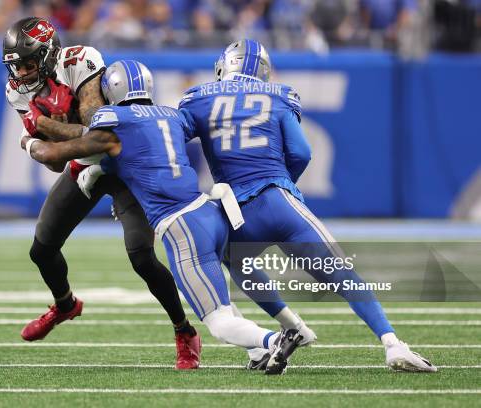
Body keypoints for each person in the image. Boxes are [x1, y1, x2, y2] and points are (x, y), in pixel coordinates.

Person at [21, 59, 303, 375]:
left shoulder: (114, 120)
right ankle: (258, 348)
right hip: (209, 211)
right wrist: (102, 169)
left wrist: (32, 134)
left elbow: (54, 154)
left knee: (217, 321)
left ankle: (277, 338)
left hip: (180, 224)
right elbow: (146, 149)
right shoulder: (171, 115)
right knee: (213, 295)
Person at [177, 39, 437, 373]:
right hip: (278, 200)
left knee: (236, 262)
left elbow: (171, 147)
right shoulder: (278, 96)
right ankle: (392, 344)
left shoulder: (199, 99)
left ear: (223, 66)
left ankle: (291, 325)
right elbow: (301, 153)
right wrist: (282, 182)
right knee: (342, 273)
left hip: (237, 214)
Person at [2, 17, 200, 369]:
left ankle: (184, 331)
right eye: (16, 65)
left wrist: (44, 126)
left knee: (141, 257)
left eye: (28, 64)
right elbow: (54, 165)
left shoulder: (80, 61)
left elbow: (97, 129)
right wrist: (46, 135)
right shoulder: (17, 89)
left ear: (49, 56)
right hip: (83, 165)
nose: (22, 73)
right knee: (42, 249)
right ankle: (66, 305)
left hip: (123, 163)